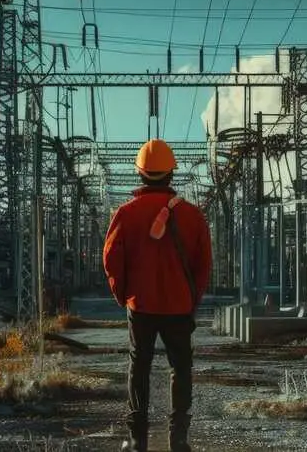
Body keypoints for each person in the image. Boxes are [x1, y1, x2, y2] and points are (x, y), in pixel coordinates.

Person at [102, 138, 213, 452]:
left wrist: (123, 294)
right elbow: (204, 263)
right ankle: (179, 438)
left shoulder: (125, 214)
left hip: (141, 305)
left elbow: (111, 258)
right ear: (171, 173)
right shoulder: (192, 215)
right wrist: (192, 298)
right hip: (179, 307)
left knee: (139, 366)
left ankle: (138, 440)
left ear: (140, 173)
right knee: (181, 368)